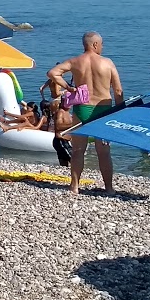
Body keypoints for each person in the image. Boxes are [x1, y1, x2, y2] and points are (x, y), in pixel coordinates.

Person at [47, 31, 123, 195]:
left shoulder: (75, 62)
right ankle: (109, 188)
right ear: (95, 44)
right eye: (101, 44)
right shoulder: (107, 63)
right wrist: (120, 111)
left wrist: (68, 87)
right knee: (103, 152)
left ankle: (74, 187)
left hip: (82, 108)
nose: (102, 47)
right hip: (103, 109)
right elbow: (118, 90)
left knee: (78, 150)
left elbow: (52, 73)